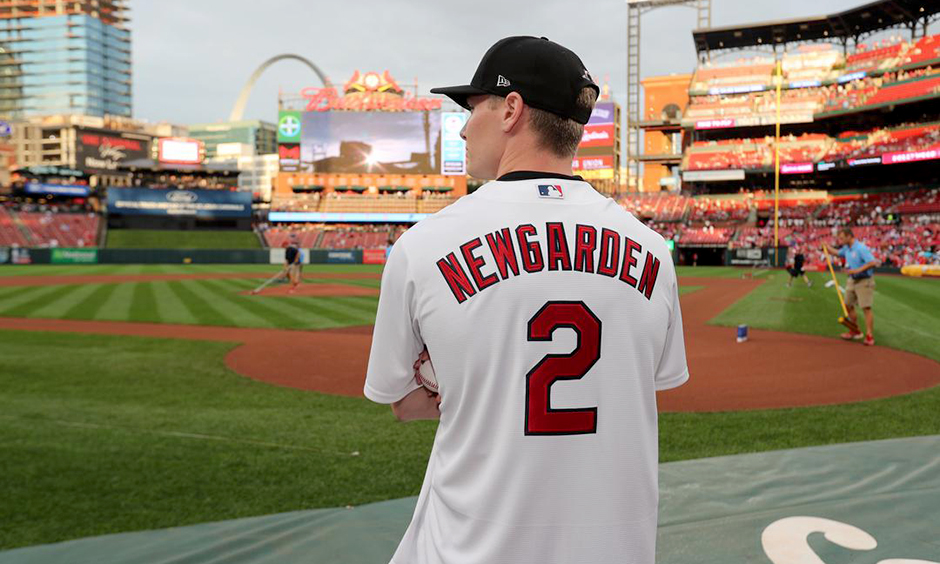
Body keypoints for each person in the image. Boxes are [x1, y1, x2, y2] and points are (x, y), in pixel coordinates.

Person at [364, 36, 688, 564]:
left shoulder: (422, 246)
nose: (466, 127)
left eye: (473, 108)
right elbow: (645, 382)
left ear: (511, 108)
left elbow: (401, 401)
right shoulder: (653, 251)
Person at [836, 227, 878, 345]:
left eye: (842, 238)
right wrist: (826, 246)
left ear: (849, 236)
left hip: (864, 280)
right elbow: (837, 253)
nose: (840, 240)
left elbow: (872, 262)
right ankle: (855, 331)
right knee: (847, 305)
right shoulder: (846, 248)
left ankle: (869, 336)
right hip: (852, 280)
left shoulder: (860, 248)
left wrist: (856, 270)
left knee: (866, 307)